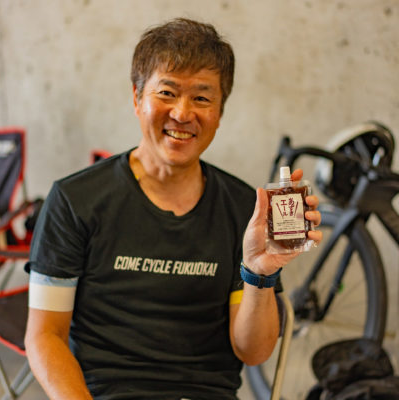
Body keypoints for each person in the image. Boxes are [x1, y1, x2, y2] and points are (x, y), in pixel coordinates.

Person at [24, 18, 322, 400]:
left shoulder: (243, 210)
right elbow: (44, 336)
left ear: (219, 113)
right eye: (167, 92)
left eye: (202, 98)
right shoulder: (75, 200)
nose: (182, 113)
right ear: (137, 98)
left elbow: (253, 351)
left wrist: (259, 273)